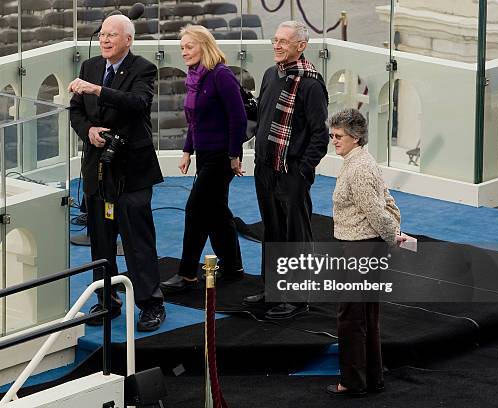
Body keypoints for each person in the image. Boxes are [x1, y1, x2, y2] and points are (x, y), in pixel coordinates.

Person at [68, 14, 165, 332]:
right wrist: (89, 130)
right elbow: (76, 110)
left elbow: (137, 103)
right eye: (102, 35)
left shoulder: (142, 68)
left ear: (128, 40)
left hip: (132, 172)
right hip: (97, 169)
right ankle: (107, 299)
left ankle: (151, 304)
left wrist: (97, 90)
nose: (105, 40)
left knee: (138, 241)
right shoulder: (89, 66)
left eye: (112, 35)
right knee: (101, 239)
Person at [243, 21, 329, 320]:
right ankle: (273, 289)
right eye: (275, 40)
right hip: (265, 168)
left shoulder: (311, 84)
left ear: (301, 46)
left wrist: (303, 171)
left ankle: (298, 297)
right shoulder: (271, 74)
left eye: (284, 41)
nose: (276, 46)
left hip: (292, 171)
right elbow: (261, 117)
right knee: (273, 231)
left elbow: (320, 134)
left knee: (296, 235)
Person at [160, 25, 247, 292]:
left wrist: (234, 155)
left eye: (189, 46)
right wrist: (187, 150)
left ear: (204, 46)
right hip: (205, 153)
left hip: (222, 156)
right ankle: (233, 267)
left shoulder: (221, 75)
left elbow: (238, 118)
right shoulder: (195, 76)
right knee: (217, 211)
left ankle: (187, 273)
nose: (184, 52)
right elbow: (194, 121)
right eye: (182, 48)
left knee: (196, 209)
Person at [326, 108, 406, 396]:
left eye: (338, 136)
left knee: (350, 317)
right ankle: (372, 379)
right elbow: (386, 200)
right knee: (367, 316)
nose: (333, 140)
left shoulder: (358, 167)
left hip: (360, 249)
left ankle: (351, 382)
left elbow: (375, 210)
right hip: (365, 247)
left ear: (355, 137)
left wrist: (393, 236)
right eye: (332, 135)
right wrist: (394, 228)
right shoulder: (360, 161)